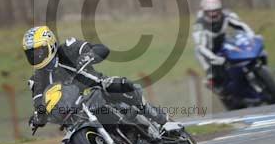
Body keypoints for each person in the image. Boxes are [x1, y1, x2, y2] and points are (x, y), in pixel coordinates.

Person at [22, 26, 168, 131]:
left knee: (122, 86)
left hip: (97, 88)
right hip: (75, 111)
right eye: (31, 54)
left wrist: (88, 56)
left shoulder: (68, 48)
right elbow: (39, 102)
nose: (37, 56)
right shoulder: (37, 79)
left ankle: (160, 119)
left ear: (50, 45)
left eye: (40, 51)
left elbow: (100, 49)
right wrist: (37, 118)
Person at [192, 0, 254, 93]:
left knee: (241, 43)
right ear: (204, 12)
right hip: (209, 51)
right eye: (210, 12)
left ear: (220, 9)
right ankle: (211, 79)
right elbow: (201, 47)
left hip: (223, 43)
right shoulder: (199, 25)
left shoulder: (227, 15)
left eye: (216, 11)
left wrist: (251, 35)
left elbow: (241, 25)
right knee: (199, 52)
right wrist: (214, 58)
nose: (213, 14)